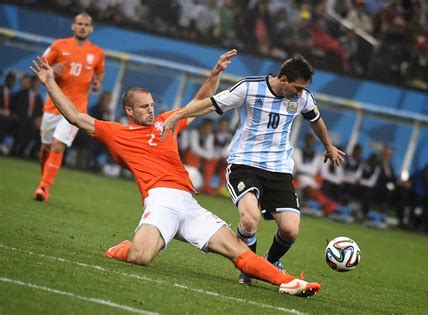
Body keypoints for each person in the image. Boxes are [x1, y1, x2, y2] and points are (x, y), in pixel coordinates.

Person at [30, 51, 320, 297]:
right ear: (129, 110)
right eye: (145, 106)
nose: (152, 110)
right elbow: (75, 117)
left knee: (239, 252)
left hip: (189, 204)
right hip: (161, 201)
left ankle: (291, 282)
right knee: (141, 257)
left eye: (153, 104)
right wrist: (50, 82)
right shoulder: (115, 132)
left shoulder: (165, 123)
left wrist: (216, 72)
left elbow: (200, 101)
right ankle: (122, 249)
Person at [162, 56, 345, 285]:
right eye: (297, 88)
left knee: (290, 231)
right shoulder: (249, 87)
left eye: (303, 89)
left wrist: (328, 146)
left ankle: (267, 263)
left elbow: (316, 120)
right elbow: (211, 103)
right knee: (250, 220)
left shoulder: (303, 98)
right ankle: (247, 268)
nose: (300, 94)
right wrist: (177, 115)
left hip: (279, 170)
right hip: (244, 164)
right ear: (283, 79)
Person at [33, 12, 105, 202]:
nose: (82, 27)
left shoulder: (97, 53)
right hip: (53, 105)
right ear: (73, 26)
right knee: (46, 147)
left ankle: (44, 187)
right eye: (79, 23)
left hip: (76, 110)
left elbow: (99, 76)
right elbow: (41, 68)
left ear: (91, 29)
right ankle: (44, 179)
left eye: (86, 24)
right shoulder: (58, 45)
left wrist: (97, 84)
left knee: (58, 145)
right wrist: (51, 72)